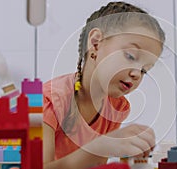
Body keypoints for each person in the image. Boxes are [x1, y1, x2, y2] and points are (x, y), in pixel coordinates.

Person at [43, 1, 165, 169]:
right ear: (95, 44)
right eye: (130, 56)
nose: (137, 74)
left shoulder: (117, 107)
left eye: (145, 70)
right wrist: (101, 146)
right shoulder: (49, 100)